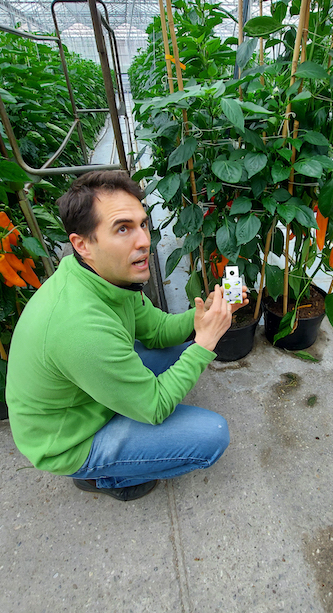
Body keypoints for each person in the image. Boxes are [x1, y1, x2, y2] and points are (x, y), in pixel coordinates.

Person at [6, 170, 248, 502]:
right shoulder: (80, 326)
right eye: (123, 228)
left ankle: (121, 405)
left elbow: (158, 331)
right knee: (211, 435)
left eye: (142, 224)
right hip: (68, 439)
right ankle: (100, 476)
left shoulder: (107, 275)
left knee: (178, 352)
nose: (144, 240)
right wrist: (206, 341)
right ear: (83, 244)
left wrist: (201, 317)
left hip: (85, 392)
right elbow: (155, 407)